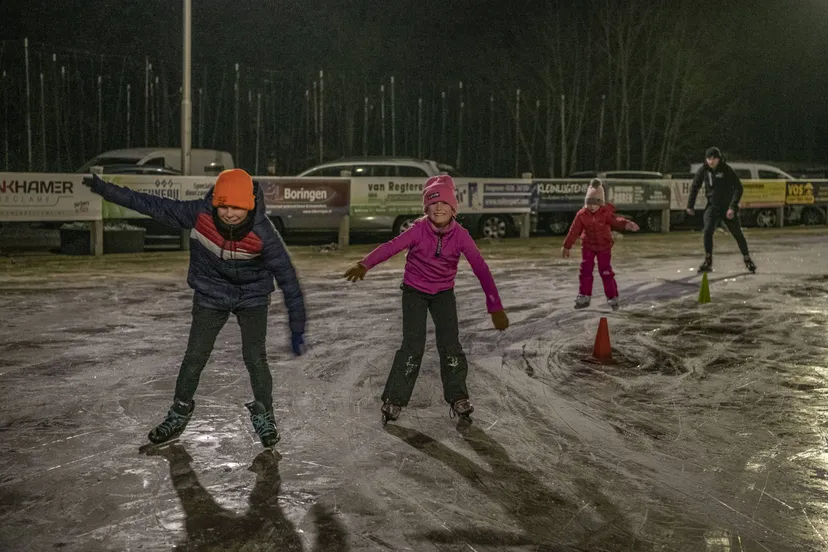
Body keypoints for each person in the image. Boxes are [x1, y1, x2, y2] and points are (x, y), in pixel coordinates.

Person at [83, 169, 306, 448]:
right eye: (223, 205)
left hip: (252, 296)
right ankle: (179, 412)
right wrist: (105, 189)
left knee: (255, 356)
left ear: (249, 205)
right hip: (211, 292)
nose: (228, 213)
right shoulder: (199, 215)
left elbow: (289, 281)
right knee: (195, 356)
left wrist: (297, 328)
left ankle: (265, 414)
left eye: (236, 206)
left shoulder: (263, 233)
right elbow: (151, 204)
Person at [342, 175, 509, 423]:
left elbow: (481, 268)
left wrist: (494, 306)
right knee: (413, 346)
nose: (439, 207)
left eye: (444, 203)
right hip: (414, 293)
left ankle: (458, 397)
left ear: (453, 208)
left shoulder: (461, 236)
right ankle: (394, 400)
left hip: (443, 294)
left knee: (450, 345)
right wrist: (365, 264)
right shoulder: (418, 230)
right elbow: (391, 246)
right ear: (426, 208)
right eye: (433, 203)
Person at [561, 178, 639, 311]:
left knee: (606, 271)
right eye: (589, 203)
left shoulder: (605, 213)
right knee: (585, 269)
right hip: (588, 246)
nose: (591, 206)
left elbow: (616, 221)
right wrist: (567, 246)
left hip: (604, 246)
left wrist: (626, 224)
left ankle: (612, 296)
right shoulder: (581, 215)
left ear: (601, 203)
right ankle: (584, 295)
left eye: (595, 203)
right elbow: (574, 231)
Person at [686, 147, 757, 273]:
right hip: (712, 206)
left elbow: (738, 188)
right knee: (707, 230)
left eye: (714, 158)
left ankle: (747, 259)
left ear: (719, 159)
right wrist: (690, 205)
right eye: (709, 159)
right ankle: (708, 260)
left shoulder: (726, 170)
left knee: (737, 233)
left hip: (727, 207)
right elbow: (695, 186)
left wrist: (732, 207)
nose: (711, 161)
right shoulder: (703, 170)